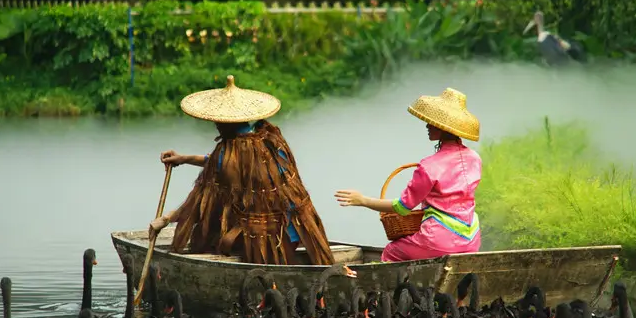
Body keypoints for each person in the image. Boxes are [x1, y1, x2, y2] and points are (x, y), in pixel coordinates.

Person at [147, 75, 334, 266]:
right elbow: (219, 163)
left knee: (214, 236)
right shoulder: (272, 141)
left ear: (224, 124)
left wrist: (166, 219)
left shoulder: (228, 152)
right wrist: (184, 158)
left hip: (264, 241)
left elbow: (198, 200)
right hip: (299, 231)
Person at [334, 87, 482, 262]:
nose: (427, 125)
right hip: (472, 239)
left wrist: (363, 200)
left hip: (439, 240)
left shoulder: (429, 165)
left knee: (392, 251)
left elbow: (403, 207)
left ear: (442, 128)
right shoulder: (474, 158)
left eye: (432, 122)